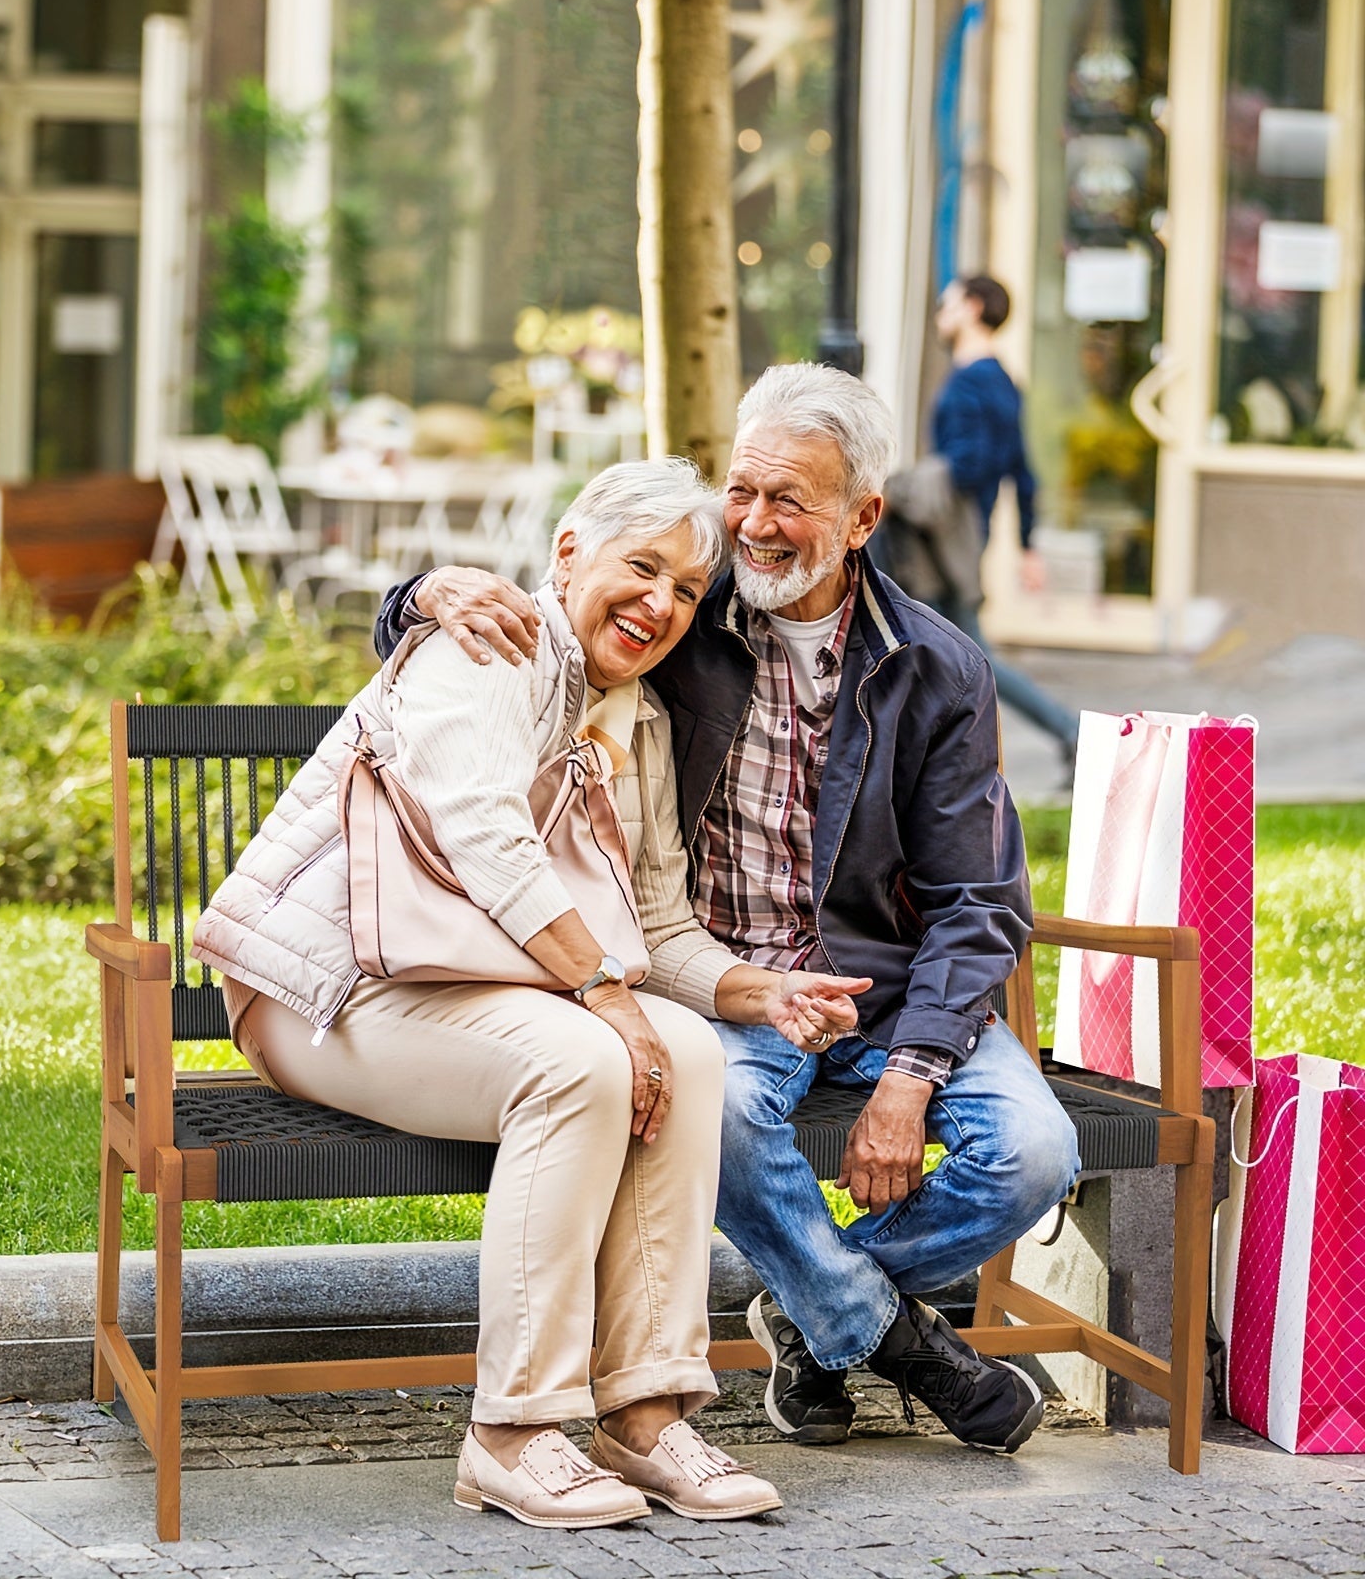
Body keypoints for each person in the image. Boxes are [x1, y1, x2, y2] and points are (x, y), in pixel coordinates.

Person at [380, 365, 1081, 1461]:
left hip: (883, 999)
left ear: (861, 519)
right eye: (739, 490)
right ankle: (898, 1341)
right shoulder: (682, 610)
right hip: (717, 989)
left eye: (788, 499)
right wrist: (418, 593)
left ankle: (813, 1317)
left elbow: (979, 901)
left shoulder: (937, 669)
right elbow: (545, 614)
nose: (752, 523)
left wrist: (911, 1076)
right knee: (721, 1112)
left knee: (1034, 1152)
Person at [194, 457, 870, 1530]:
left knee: (688, 1052)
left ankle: (642, 1414)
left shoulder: (636, 721)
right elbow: (484, 839)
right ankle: (510, 1434)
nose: (660, 604)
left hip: (474, 990)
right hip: (324, 989)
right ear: (569, 554)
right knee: (580, 1060)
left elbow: (656, 924)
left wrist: (756, 993)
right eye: (640, 567)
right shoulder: (489, 646)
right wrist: (606, 993)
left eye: (688, 590)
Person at [926, 273, 1081, 766]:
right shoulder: (996, 377)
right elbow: (1023, 470)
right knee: (947, 647)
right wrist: (1027, 542)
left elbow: (976, 463)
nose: (939, 312)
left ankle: (1070, 731)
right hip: (966, 531)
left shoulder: (976, 378)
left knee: (965, 652)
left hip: (951, 535)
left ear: (972, 307)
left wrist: (922, 483)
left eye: (946, 302)